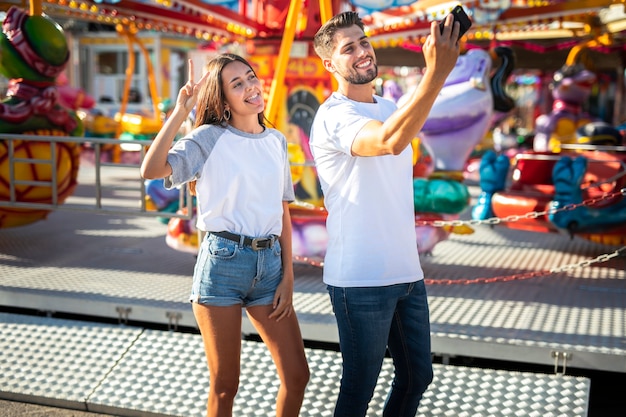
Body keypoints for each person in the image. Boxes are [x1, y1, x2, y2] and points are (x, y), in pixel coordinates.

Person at [309, 11, 461, 417]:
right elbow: (390, 141)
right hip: (359, 278)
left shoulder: (389, 104)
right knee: (359, 389)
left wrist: (436, 77)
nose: (361, 51)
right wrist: (436, 73)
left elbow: (399, 130)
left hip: (406, 272)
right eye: (348, 48)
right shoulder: (333, 115)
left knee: (417, 378)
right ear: (330, 64)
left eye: (363, 41)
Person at [140, 54, 309, 417]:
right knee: (225, 384)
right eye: (237, 84)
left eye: (251, 77)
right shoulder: (208, 138)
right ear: (223, 98)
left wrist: (288, 276)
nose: (251, 87)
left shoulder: (276, 141)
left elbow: (282, 210)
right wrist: (181, 111)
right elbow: (151, 169)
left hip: (270, 268)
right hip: (223, 265)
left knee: (297, 376)